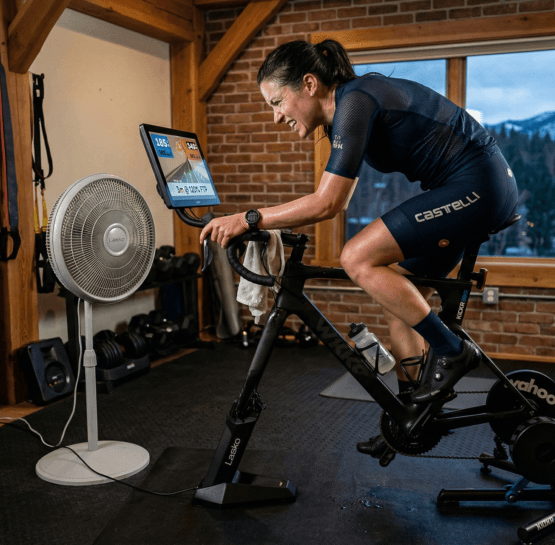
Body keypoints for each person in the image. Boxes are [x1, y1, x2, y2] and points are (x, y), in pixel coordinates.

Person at [199, 39, 518, 409]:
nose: (276, 116)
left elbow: (328, 203)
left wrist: (247, 218)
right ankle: (413, 411)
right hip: (478, 187)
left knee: (355, 257)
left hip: (478, 186)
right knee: (399, 305)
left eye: (277, 102)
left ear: (309, 84)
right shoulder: (350, 108)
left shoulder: (356, 100)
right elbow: (336, 199)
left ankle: (452, 351)